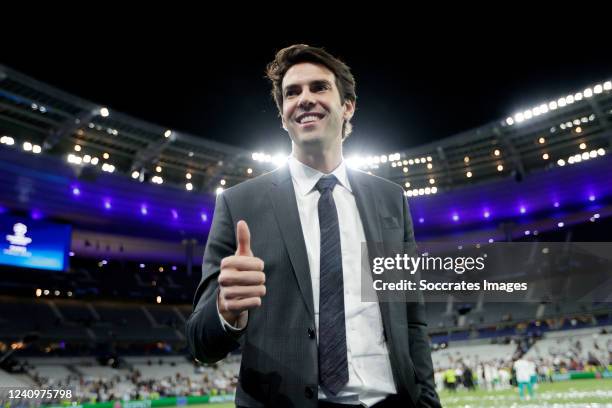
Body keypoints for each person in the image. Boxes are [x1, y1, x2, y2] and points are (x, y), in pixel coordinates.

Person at [186, 44, 440, 408]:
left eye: (319, 87)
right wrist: (226, 309)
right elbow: (200, 343)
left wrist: (428, 401)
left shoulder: (391, 200)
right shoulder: (238, 204)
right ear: (283, 114)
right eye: (292, 92)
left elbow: (412, 319)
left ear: (347, 106)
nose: (305, 99)